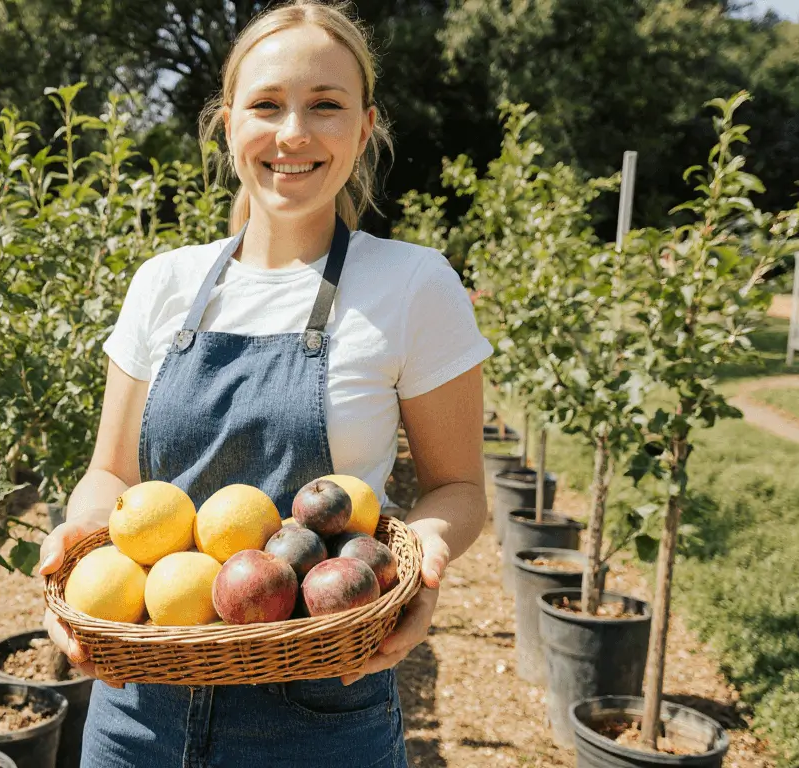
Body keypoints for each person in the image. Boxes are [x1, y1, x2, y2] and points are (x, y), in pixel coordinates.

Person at [37, 1, 492, 764]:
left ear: (366, 125)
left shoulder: (412, 284)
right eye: (267, 105)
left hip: (320, 707)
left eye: (326, 106)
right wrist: (77, 549)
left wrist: (428, 556)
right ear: (227, 124)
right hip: (137, 705)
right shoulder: (164, 282)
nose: (293, 133)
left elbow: (459, 488)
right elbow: (110, 473)